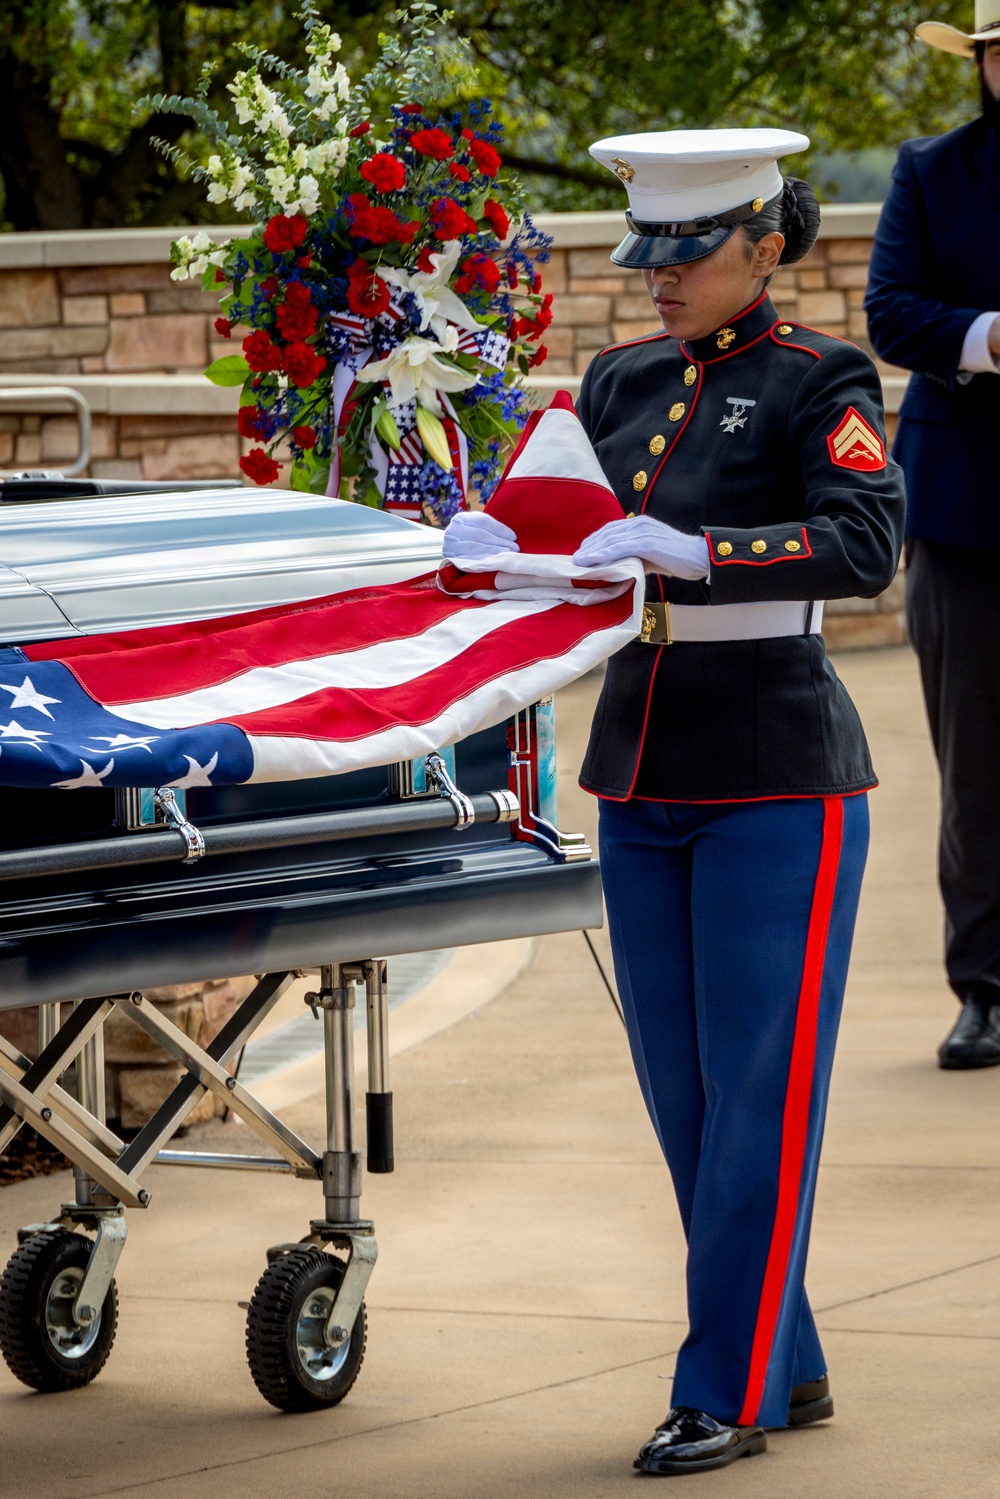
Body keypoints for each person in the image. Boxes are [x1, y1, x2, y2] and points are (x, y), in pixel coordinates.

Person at [445, 128, 905, 1475]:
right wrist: (494, 547)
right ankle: (788, 1349)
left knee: (757, 1093)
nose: (657, 276)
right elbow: (569, 539)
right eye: (646, 249)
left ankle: (729, 1384)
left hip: (777, 768)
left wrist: (699, 550)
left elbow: (870, 542)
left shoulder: (825, 377)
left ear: (766, 245)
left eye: (687, 251)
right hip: (644, 761)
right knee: (687, 1100)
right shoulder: (620, 378)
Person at [865, 4, 1000, 1070]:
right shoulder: (930, 169)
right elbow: (892, 311)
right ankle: (986, 986)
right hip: (967, 511)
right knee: (978, 757)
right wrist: (991, 336)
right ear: (982, 65)